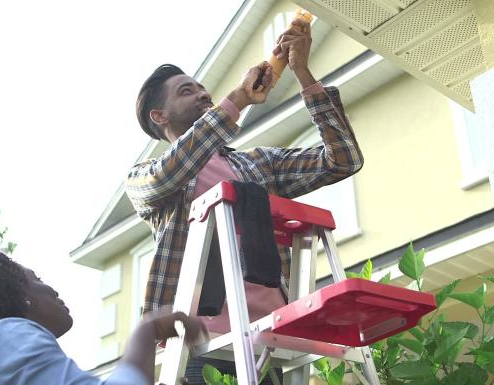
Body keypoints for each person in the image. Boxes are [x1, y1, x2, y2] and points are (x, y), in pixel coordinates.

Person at [126, 18, 364, 383]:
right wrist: (238, 97)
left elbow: (343, 159)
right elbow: (170, 172)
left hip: (269, 345)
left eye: (204, 89)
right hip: (202, 347)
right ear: (160, 116)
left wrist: (303, 74)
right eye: (187, 91)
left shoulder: (257, 164)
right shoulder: (147, 175)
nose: (204, 94)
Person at [0, 238, 208, 385]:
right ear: (16, 297)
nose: (51, 289)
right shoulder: (8, 336)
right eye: (36, 280)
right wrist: (147, 330)